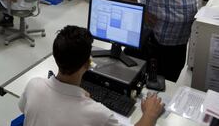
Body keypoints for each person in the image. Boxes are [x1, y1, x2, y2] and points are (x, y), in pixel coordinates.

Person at [19, 25, 165, 126]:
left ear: (56, 57)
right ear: (88, 63)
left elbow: (24, 108)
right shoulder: (98, 114)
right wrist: (150, 113)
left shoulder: (33, 85)